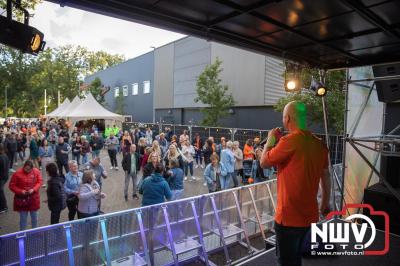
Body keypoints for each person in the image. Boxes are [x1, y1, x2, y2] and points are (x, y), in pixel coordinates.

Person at [260, 101, 331, 266]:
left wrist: (270, 140)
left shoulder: (289, 141)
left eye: (283, 117)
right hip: (310, 216)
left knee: (286, 262)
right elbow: (325, 177)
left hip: (288, 219)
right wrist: (324, 204)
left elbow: (264, 162)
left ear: (287, 118)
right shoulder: (319, 144)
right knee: (298, 258)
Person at [9, 160, 42, 230]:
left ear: (32, 168)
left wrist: (33, 189)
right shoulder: (17, 174)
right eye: (26, 169)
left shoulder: (36, 172)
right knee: (23, 219)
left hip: (33, 199)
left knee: (35, 218)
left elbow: (39, 182)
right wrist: (21, 191)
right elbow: (12, 186)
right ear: (23, 167)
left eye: (29, 169)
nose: (27, 171)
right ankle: (23, 234)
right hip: (22, 200)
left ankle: (34, 232)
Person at [0, 144, 9, 213]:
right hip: (5, 176)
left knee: (0, 191)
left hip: (2, 177)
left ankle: (4, 207)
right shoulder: (5, 155)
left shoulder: (1, 157)